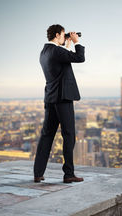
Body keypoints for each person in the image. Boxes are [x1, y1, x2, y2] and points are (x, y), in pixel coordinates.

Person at [34, 24, 85, 183]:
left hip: (51, 98)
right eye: (63, 35)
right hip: (63, 98)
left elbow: (62, 60)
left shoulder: (45, 52)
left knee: (46, 135)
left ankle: (38, 172)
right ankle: (68, 174)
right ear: (57, 35)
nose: (65, 38)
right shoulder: (57, 51)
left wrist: (66, 44)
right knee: (68, 135)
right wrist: (76, 42)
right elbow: (79, 58)